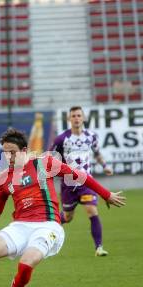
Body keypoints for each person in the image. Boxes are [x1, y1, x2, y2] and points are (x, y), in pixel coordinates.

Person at [0, 128, 125, 287]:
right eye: (5, 152)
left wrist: (106, 195)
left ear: (24, 150)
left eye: (12, 152)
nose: (8, 156)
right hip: (20, 225)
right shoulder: (4, 177)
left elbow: (80, 176)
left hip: (48, 225)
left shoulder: (45, 163)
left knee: (26, 263)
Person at [50, 106, 114, 256]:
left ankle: (99, 247)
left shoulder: (91, 136)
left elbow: (97, 153)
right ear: (69, 119)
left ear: (84, 118)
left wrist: (104, 166)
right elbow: (51, 158)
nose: (76, 118)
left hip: (86, 183)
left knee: (91, 210)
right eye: (73, 116)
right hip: (68, 184)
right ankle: (47, 224)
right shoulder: (61, 139)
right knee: (67, 217)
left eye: (79, 115)